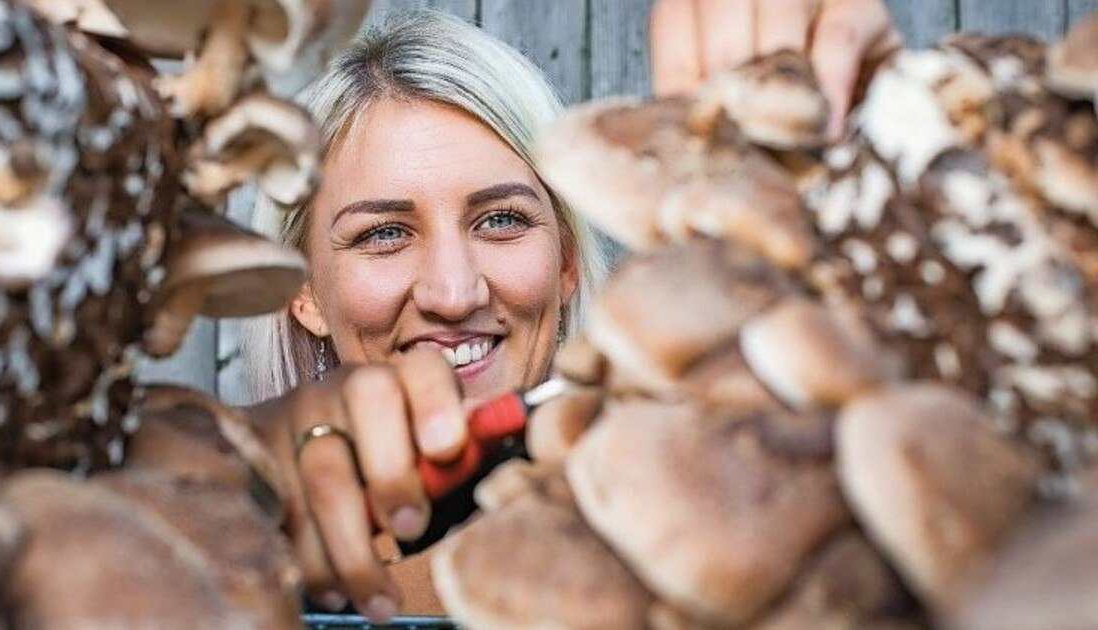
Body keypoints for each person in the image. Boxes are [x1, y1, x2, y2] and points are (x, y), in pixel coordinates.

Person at [243, 1, 901, 622]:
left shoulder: (748, 525)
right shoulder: (225, 562)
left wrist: (882, 137)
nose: (455, 293)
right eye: (384, 233)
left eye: (502, 220)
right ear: (302, 290)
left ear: (566, 263)